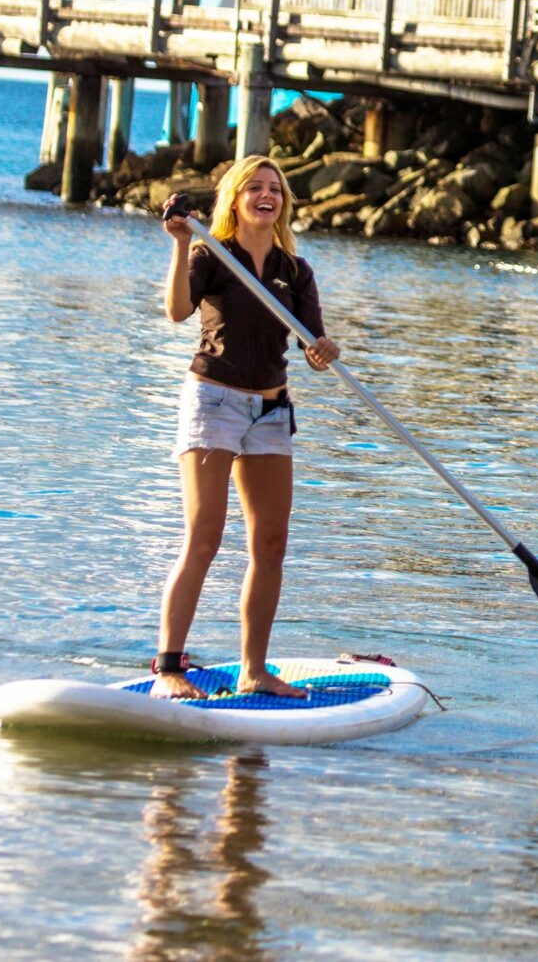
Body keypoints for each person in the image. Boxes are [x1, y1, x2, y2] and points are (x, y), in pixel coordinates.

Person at [151, 155, 343, 699]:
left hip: (271, 411)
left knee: (272, 543)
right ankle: (169, 668)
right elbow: (177, 312)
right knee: (205, 537)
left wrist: (324, 349)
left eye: (275, 189)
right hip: (214, 402)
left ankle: (254, 669)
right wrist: (181, 245)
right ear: (235, 199)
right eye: (255, 187)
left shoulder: (297, 269)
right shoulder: (214, 254)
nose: (267, 195)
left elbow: (312, 345)